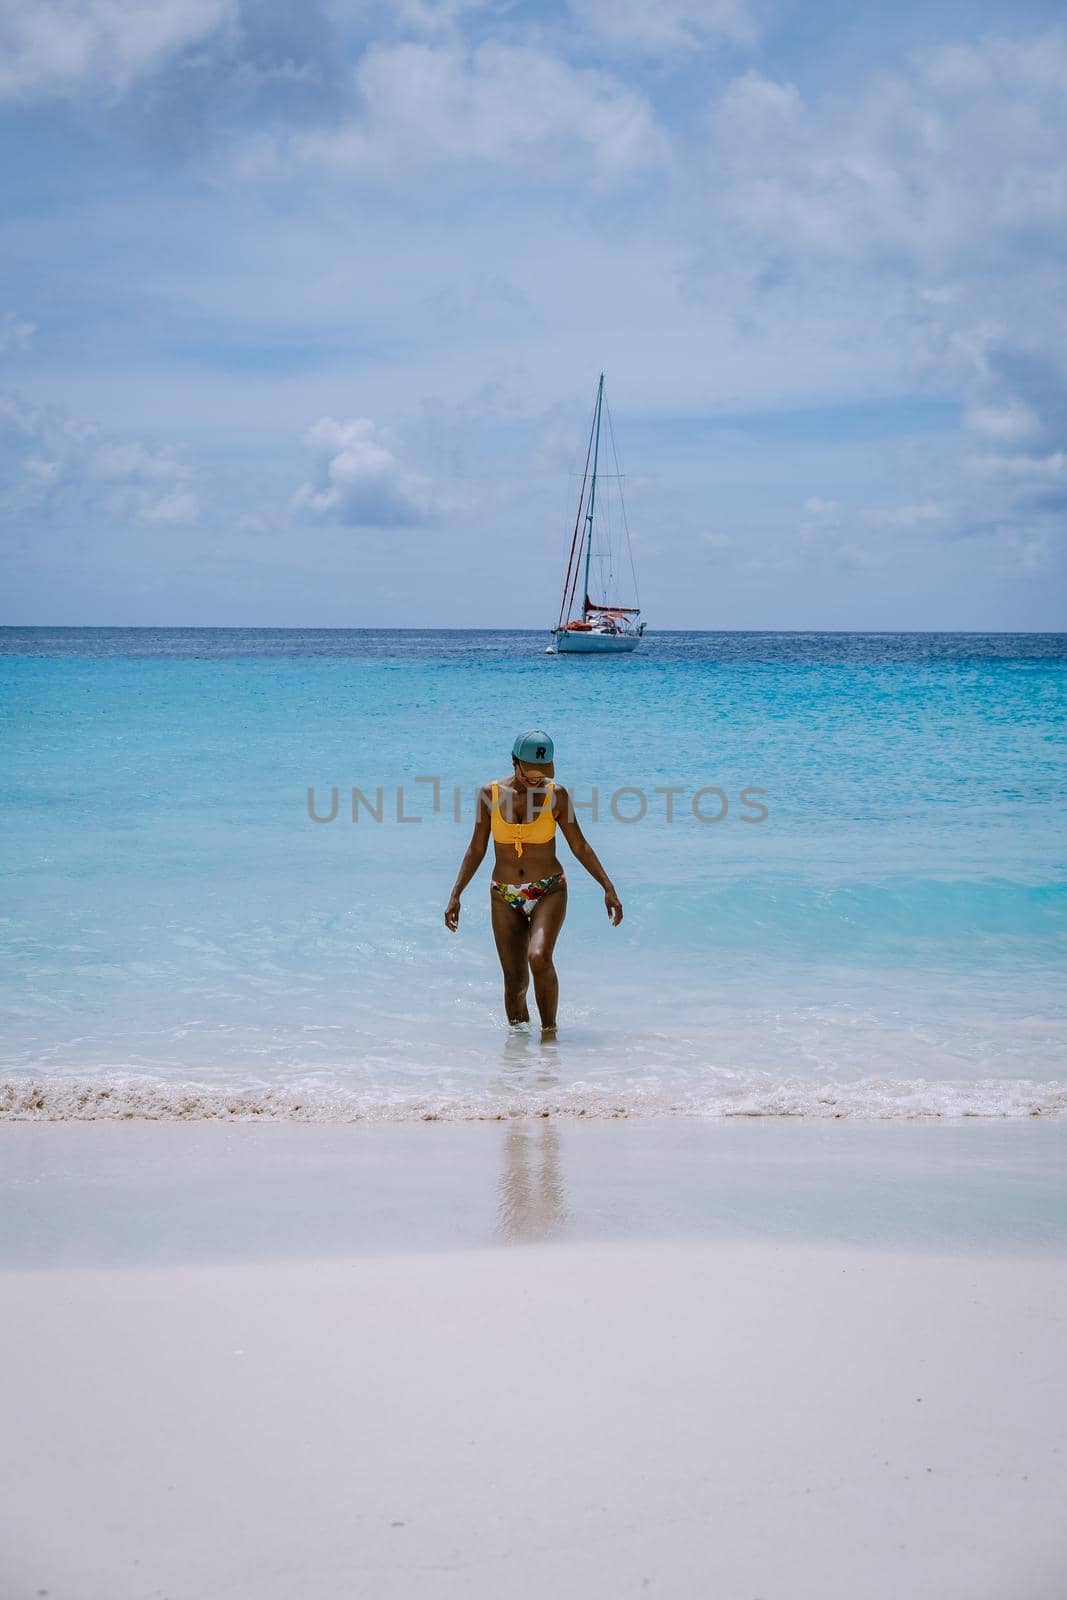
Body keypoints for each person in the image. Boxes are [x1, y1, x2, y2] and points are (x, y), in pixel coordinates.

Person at [444, 730, 623, 1033]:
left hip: (548, 889)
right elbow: (477, 848)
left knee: (538, 957)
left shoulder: (557, 796)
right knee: (514, 984)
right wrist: (456, 894)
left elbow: (579, 845)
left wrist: (608, 887)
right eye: (530, 773)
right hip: (504, 895)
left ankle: (549, 1040)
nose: (536, 779)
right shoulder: (490, 794)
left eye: (543, 773)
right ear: (515, 762)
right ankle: (518, 1061)